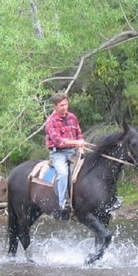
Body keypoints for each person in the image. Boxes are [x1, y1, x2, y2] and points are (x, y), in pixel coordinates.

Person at [44, 92, 87, 220]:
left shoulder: (72, 117)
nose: (64, 107)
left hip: (73, 152)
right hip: (58, 153)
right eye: (61, 105)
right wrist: (77, 143)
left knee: (89, 169)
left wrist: (81, 148)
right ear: (55, 106)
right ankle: (62, 203)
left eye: (66, 104)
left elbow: (79, 134)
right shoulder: (51, 122)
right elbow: (59, 141)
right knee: (63, 173)